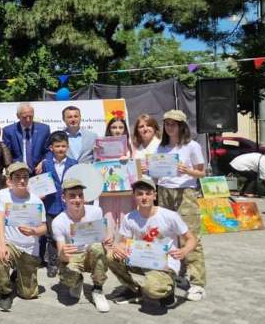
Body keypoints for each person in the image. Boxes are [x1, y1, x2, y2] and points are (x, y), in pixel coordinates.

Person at [108, 177, 198, 308]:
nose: (144, 197)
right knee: (111, 256)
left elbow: (191, 239)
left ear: (154, 195)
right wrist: (118, 248)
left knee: (153, 290)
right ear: (134, 197)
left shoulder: (170, 216)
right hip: (141, 259)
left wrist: (184, 251)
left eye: (148, 193)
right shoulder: (129, 217)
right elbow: (123, 242)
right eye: (140, 194)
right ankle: (134, 290)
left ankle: (168, 289)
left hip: (165, 263)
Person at [155, 109, 207, 301]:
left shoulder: (191, 146)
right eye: (167, 123)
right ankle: (177, 274)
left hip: (185, 192)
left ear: (181, 126)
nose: (169, 127)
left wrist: (188, 170)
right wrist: (148, 168)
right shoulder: (161, 147)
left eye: (173, 124)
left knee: (190, 236)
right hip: (163, 191)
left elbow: (202, 173)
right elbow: (157, 172)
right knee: (168, 235)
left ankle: (198, 283)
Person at [0, 162, 47, 311]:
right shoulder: (4, 196)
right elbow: (0, 221)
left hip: (29, 250)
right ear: (10, 180)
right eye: (17, 177)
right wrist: (1, 245)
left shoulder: (36, 201)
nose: (22, 180)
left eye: (25, 177)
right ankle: (5, 293)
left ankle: (17, 274)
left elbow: (44, 228)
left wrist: (34, 232)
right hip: (11, 245)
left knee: (28, 294)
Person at [51, 178, 111, 313]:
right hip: (74, 255)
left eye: (80, 195)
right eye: (72, 196)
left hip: (91, 253)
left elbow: (104, 235)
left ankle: (97, 289)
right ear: (63, 198)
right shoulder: (58, 222)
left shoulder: (96, 211)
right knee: (68, 278)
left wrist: (107, 239)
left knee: (97, 247)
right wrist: (63, 254)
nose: (77, 200)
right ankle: (77, 281)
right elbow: (62, 254)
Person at [40, 131, 78, 277]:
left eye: (63, 146)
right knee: (51, 236)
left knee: (69, 234)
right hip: (51, 205)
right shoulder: (46, 164)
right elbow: (41, 182)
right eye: (57, 146)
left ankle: (68, 262)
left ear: (67, 147)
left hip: (68, 206)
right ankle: (52, 264)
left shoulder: (74, 164)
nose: (61, 149)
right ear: (51, 148)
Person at [2, 102, 50, 173]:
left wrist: (43, 162)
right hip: (18, 172)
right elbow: (7, 154)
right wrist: (12, 168)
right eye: (24, 117)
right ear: (18, 116)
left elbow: (48, 151)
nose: (28, 120)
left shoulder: (44, 129)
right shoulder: (8, 131)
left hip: (39, 171)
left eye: (31, 116)